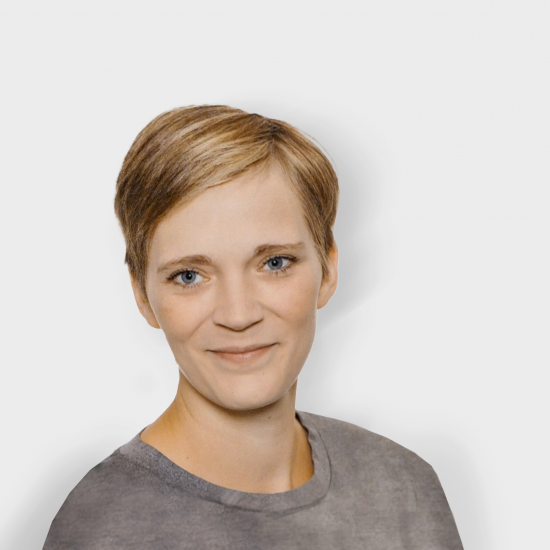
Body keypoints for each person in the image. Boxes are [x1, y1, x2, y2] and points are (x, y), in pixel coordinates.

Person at [43, 105, 464, 549]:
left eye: (275, 263)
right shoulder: (101, 529)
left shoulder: (404, 489)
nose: (238, 314)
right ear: (142, 296)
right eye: (189, 275)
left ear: (328, 270)